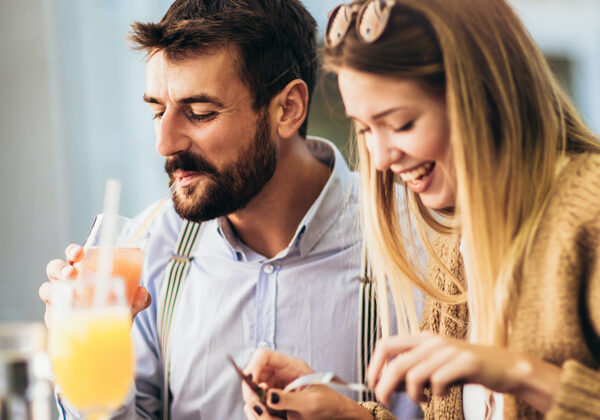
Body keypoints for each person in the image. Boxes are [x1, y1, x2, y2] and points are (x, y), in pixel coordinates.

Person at [38, 0, 419, 419]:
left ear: (287, 108)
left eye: (199, 113)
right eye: (157, 111)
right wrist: (81, 369)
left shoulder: (413, 245)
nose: (164, 144)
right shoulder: (153, 248)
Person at [240, 0, 600, 419]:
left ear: (485, 95)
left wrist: (519, 373)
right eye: (365, 129)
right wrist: (345, 415)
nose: (379, 159)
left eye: (402, 123)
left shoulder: (587, 208)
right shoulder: (458, 245)